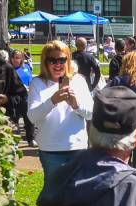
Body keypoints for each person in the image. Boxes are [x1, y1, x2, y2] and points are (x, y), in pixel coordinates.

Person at [27, 40, 94, 179]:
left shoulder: (78, 81)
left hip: (76, 147)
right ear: (45, 62)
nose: (58, 64)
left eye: (62, 60)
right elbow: (32, 117)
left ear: (68, 61)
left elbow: (92, 114)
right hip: (50, 149)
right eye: (52, 60)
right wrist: (52, 101)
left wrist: (76, 105)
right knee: (54, 195)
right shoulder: (37, 83)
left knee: (77, 193)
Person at [9, 49, 36, 147]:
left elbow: (30, 80)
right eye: (14, 58)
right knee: (14, 119)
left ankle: (31, 139)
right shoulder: (8, 69)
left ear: (21, 59)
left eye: (18, 58)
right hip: (13, 98)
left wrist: (30, 88)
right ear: (11, 59)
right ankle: (15, 140)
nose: (16, 60)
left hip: (26, 98)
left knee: (29, 119)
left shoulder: (27, 67)